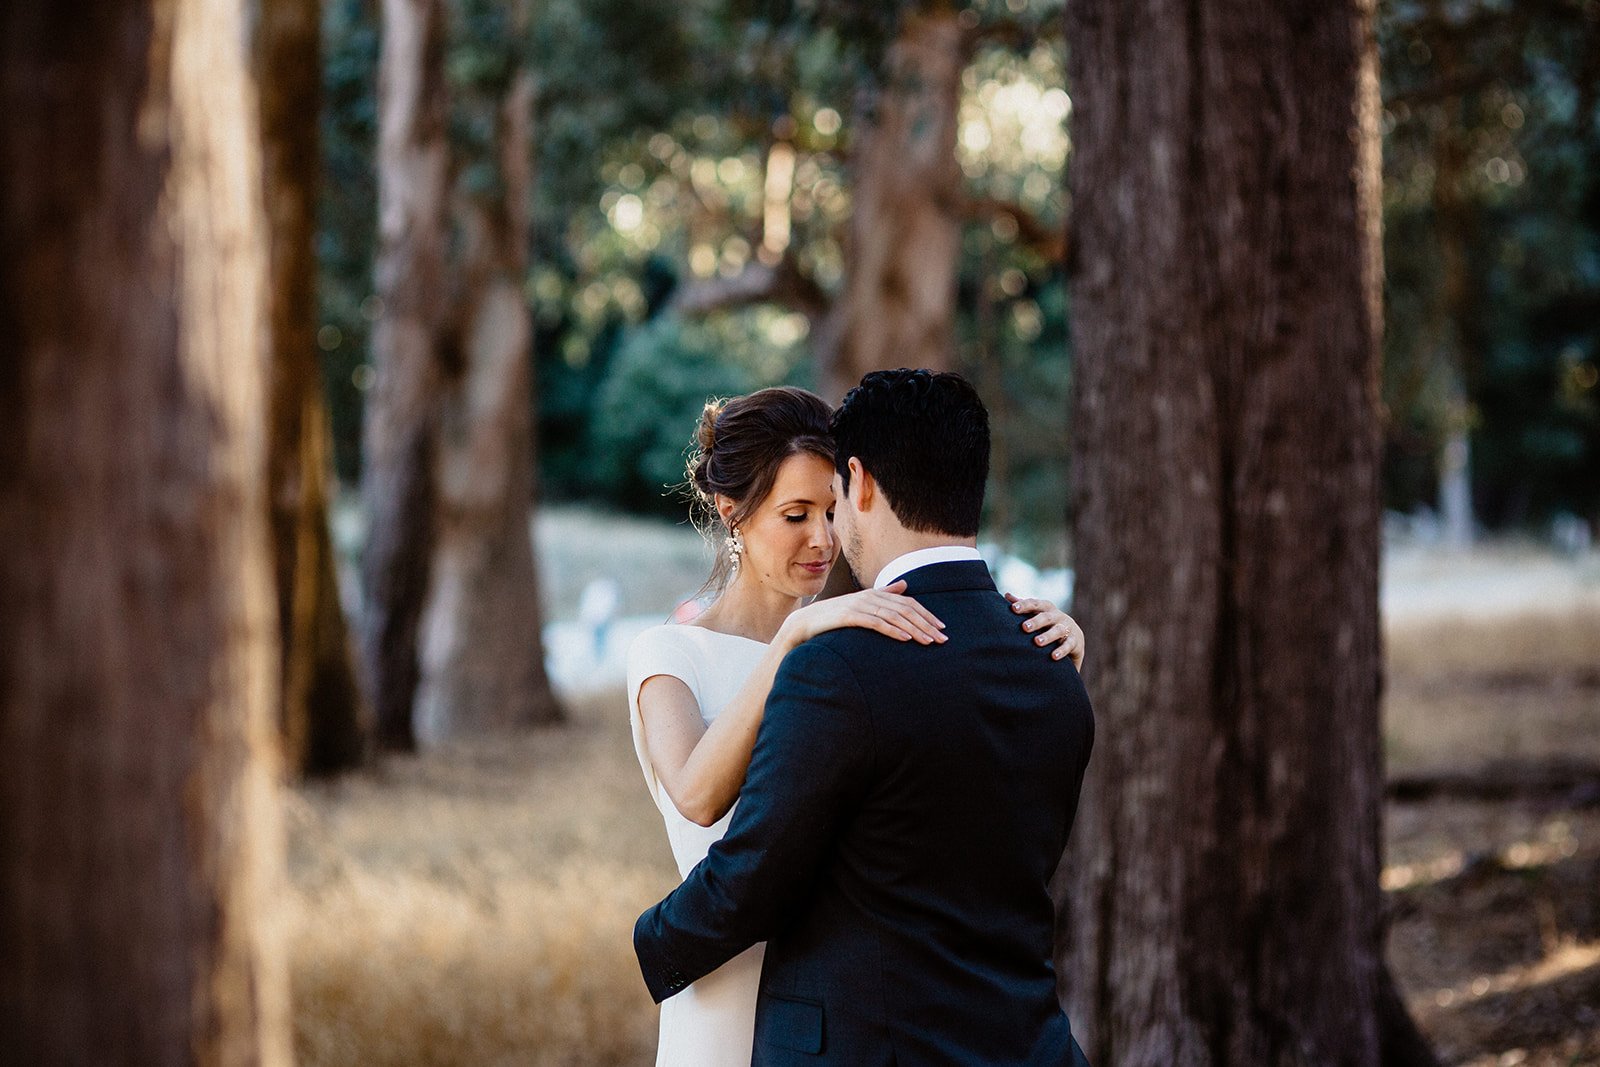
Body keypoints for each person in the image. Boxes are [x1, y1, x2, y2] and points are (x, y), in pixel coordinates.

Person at [626, 383, 1085, 1066]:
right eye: (795, 514)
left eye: (830, 508)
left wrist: (1044, 650)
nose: (823, 537)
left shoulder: (856, 650)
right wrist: (789, 643)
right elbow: (695, 797)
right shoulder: (676, 656)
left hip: (840, 1007)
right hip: (723, 989)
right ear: (732, 513)